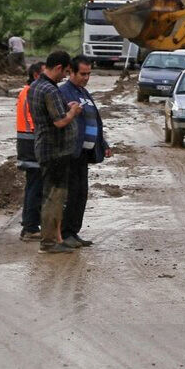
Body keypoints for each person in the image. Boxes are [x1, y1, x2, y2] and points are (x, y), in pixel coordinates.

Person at [27, 50, 83, 254]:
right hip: (55, 151)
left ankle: (54, 238)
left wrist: (64, 107)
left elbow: (51, 113)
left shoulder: (36, 86)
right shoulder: (50, 90)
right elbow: (60, 121)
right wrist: (73, 112)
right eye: (66, 72)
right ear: (58, 68)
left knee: (52, 195)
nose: (66, 77)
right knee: (54, 196)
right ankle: (50, 242)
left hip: (45, 148)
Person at [59, 56, 111, 247]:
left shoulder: (83, 92)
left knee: (81, 193)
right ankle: (65, 233)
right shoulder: (63, 92)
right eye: (83, 74)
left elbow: (94, 120)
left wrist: (102, 143)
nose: (86, 77)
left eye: (89, 74)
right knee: (71, 194)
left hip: (83, 154)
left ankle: (73, 231)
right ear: (70, 72)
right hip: (70, 152)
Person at [16, 62, 44, 242]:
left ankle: (29, 224)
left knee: (33, 185)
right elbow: (36, 120)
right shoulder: (31, 92)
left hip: (26, 141)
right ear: (35, 75)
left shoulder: (25, 91)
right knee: (36, 186)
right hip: (31, 142)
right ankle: (31, 227)